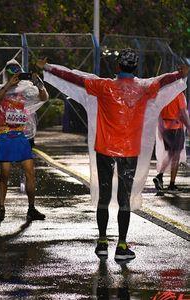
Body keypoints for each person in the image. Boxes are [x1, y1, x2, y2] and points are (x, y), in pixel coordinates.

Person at [37, 48, 188, 261]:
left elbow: (74, 77)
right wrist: (179, 74)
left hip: (104, 149)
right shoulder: (144, 88)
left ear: (118, 67)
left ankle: (101, 242)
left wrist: (48, 68)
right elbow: (163, 81)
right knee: (124, 199)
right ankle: (122, 246)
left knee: (104, 197)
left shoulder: (103, 86)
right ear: (135, 68)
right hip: (129, 152)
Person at [0, 59, 49, 222]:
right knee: (4, 174)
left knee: (30, 173)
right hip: (5, 135)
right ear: (6, 74)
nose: (15, 76)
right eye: (11, 74)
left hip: (20, 135)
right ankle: (1, 208)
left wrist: (39, 84)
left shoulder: (26, 91)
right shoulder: (1, 89)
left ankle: (31, 208)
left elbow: (44, 98)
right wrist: (7, 86)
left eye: (17, 74)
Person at [154, 92, 190, 191]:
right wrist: (188, 126)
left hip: (165, 127)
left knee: (170, 154)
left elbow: (158, 112)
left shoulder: (164, 93)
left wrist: (161, 128)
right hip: (176, 127)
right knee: (175, 156)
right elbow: (183, 113)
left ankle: (160, 176)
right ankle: (171, 184)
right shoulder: (179, 95)